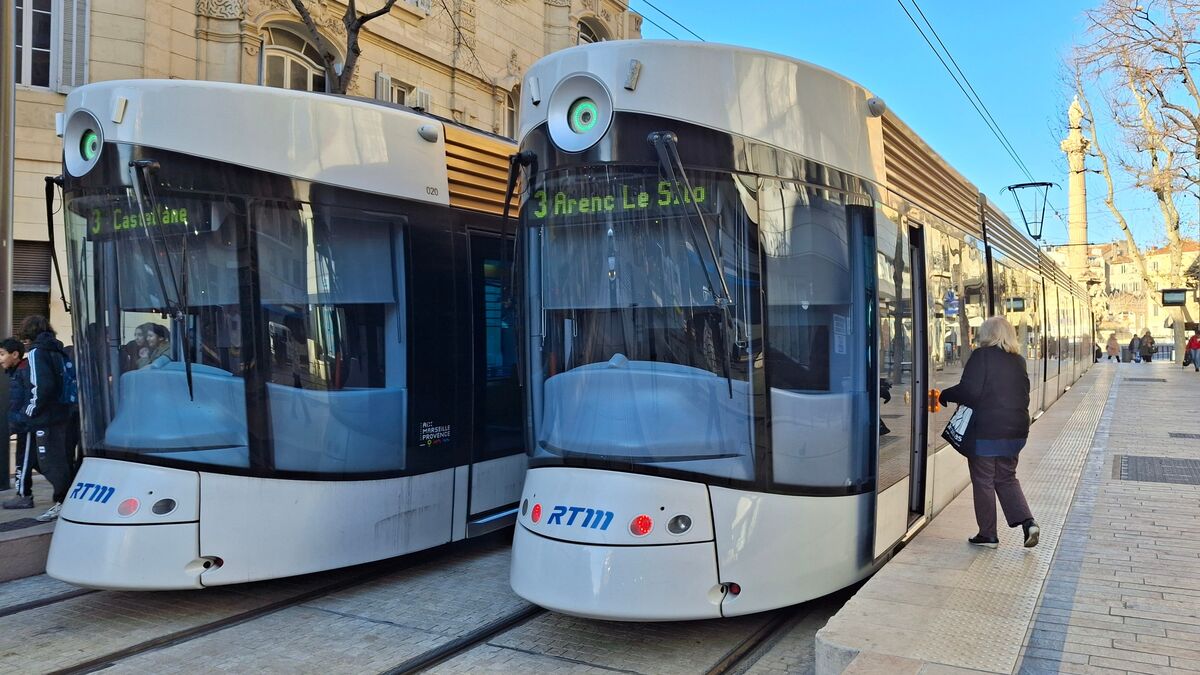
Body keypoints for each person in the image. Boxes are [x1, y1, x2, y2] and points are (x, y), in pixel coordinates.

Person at [939, 316, 1039, 549]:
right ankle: (1028, 523)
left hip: (986, 432)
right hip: (1016, 432)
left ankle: (988, 534)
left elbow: (969, 391)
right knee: (1006, 478)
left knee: (983, 480)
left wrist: (945, 394)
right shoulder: (1019, 361)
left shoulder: (981, 356)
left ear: (987, 334)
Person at [18, 316, 75, 522]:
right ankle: (65, 498)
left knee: (50, 461)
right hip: (62, 413)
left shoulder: (36, 353)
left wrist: (29, 410)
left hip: (46, 417)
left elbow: (40, 386)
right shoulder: (57, 349)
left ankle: (64, 501)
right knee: (57, 457)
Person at [1, 338, 35, 510]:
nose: (0, 359)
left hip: (26, 425)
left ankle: (24, 496)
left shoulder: (24, 370)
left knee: (24, 459)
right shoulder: (17, 371)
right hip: (23, 423)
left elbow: (29, 398)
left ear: (15, 354)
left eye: (2, 354)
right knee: (32, 461)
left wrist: (21, 419)